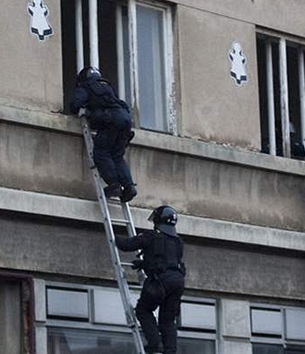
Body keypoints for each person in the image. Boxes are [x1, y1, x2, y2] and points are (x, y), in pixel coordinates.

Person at [115, 205, 186, 354]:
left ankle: (155, 344)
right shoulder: (178, 241)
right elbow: (167, 260)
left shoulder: (151, 236)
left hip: (160, 282)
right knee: (167, 320)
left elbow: (127, 245)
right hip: (178, 282)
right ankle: (170, 350)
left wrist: (113, 237)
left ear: (158, 220)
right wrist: (143, 263)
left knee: (143, 310)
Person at [70, 66, 137, 202]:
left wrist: (86, 111)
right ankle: (129, 186)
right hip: (125, 119)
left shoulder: (86, 86)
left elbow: (75, 105)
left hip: (111, 121)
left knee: (101, 153)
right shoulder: (108, 86)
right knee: (117, 156)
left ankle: (114, 185)